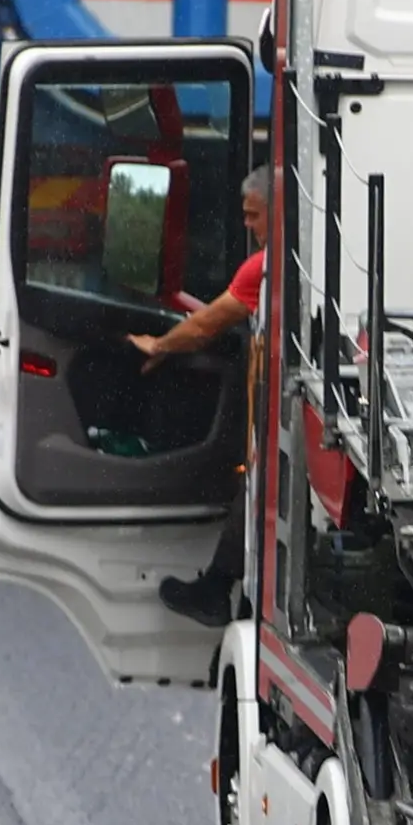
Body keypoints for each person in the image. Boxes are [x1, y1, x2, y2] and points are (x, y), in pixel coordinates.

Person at [137, 165, 270, 626]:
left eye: (254, 216)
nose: (248, 227)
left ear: (279, 211)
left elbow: (205, 325)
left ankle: (217, 591)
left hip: (278, 417)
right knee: (254, 491)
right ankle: (230, 597)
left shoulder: (264, 267)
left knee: (258, 491)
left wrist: (159, 345)